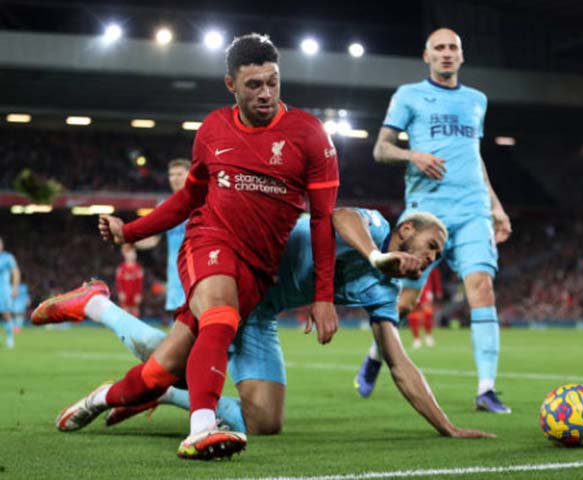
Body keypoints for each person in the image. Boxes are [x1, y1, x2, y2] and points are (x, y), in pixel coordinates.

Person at [33, 208, 494, 440]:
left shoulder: (383, 293)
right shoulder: (372, 227)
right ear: (407, 230)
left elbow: (399, 364)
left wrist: (447, 427)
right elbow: (336, 214)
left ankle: (167, 393)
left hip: (262, 315)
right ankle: (96, 304)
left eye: (437, 257)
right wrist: (375, 256)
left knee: (265, 421)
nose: (430, 258)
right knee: (167, 358)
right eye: (430, 245)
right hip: (237, 275)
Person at [95, 33, 340, 460]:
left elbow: (322, 221)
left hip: (259, 271)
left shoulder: (310, 135)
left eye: (273, 82)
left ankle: (98, 397)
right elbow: (189, 199)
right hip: (209, 241)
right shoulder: (212, 129)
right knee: (220, 315)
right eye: (254, 85)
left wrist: (322, 297)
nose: (265, 94)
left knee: (168, 374)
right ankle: (201, 428)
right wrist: (130, 231)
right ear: (231, 85)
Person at [358, 28, 513, 413]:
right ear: (426, 56)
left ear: (461, 56)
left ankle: (486, 389)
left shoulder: (477, 100)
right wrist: (414, 157)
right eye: (439, 48)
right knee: (407, 302)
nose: (446, 54)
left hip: (473, 209)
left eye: (453, 48)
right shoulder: (409, 95)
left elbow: (474, 156)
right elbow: (381, 149)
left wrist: (496, 206)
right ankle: (376, 356)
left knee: (481, 286)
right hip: (427, 213)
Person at [135, 159, 189, 315]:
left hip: (197, 273)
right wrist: (128, 239)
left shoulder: (202, 202)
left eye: (180, 174)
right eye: (172, 175)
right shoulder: (164, 206)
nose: (175, 178)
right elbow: (153, 238)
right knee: (180, 324)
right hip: (175, 276)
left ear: (190, 176)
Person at [407, 267, 442, 348]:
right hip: (412, 287)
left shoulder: (429, 257)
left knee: (428, 311)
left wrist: (438, 289)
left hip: (426, 288)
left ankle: (428, 336)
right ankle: (416, 339)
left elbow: (435, 274)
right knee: (414, 311)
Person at [0, 237, 20, 349]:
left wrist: (15, 287)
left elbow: (15, 272)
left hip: (3, 290)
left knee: (6, 314)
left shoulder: (8, 257)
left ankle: (10, 337)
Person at [115, 244, 144, 318]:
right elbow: (119, 281)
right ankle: (124, 327)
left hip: (134, 293)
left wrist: (139, 293)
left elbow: (140, 282)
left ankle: (135, 328)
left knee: (135, 310)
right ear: (125, 254)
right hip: (125, 293)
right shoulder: (121, 268)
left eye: (134, 253)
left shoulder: (138, 268)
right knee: (125, 310)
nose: (132, 255)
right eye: (130, 253)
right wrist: (121, 292)